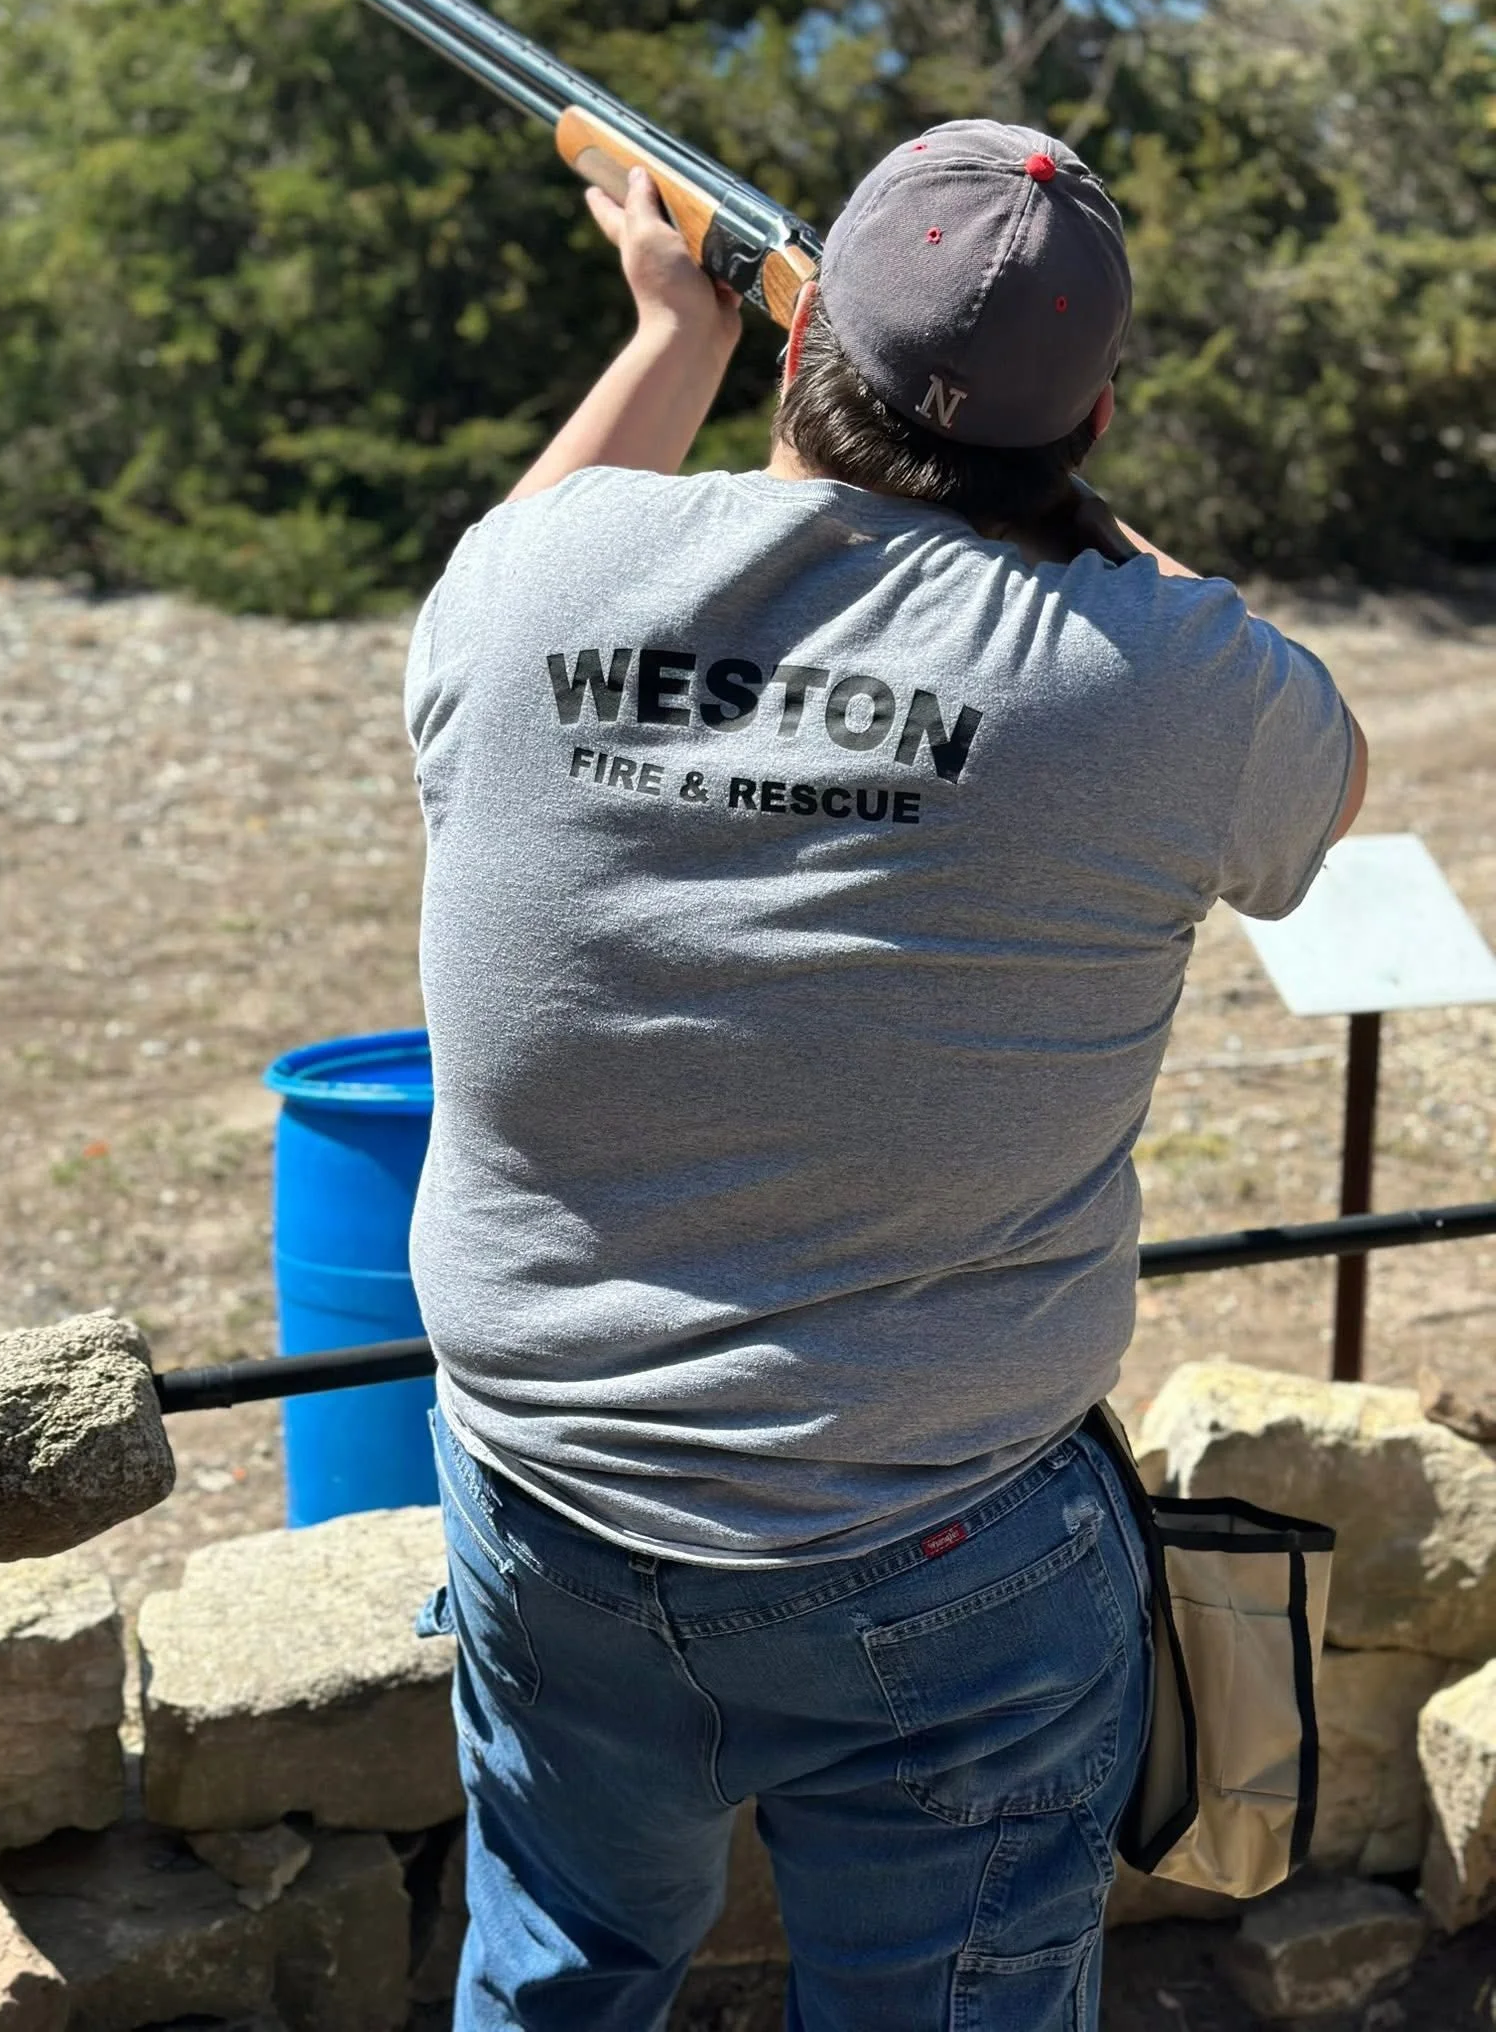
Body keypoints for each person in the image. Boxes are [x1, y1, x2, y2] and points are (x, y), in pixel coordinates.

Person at [404, 120, 1367, 2032]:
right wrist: (1062, 505)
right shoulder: (1159, 675)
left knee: (554, 1985)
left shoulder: (541, 582)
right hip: (940, 1544)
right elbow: (1319, 782)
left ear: (798, 345)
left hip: (546, 1503)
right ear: (1095, 416)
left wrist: (669, 324)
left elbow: (465, 618)